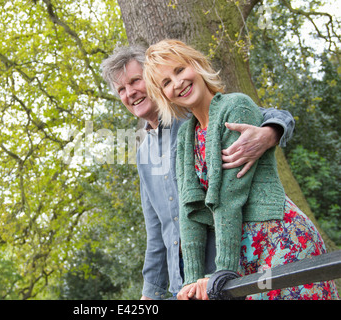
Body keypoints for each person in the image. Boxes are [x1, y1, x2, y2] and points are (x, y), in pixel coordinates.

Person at [143, 39, 339, 300]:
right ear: (162, 95)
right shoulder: (186, 138)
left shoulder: (236, 107)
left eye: (179, 70)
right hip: (245, 254)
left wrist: (222, 271)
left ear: (197, 65)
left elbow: (228, 196)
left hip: (279, 238)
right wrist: (190, 282)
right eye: (166, 82)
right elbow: (189, 213)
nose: (177, 83)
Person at [100, 45, 296, 299]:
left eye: (135, 81)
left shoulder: (194, 115)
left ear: (150, 80)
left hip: (227, 264)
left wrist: (269, 133)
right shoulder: (143, 153)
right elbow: (157, 230)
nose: (130, 93)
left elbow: (274, 116)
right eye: (121, 90)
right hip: (183, 279)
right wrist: (151, 292)